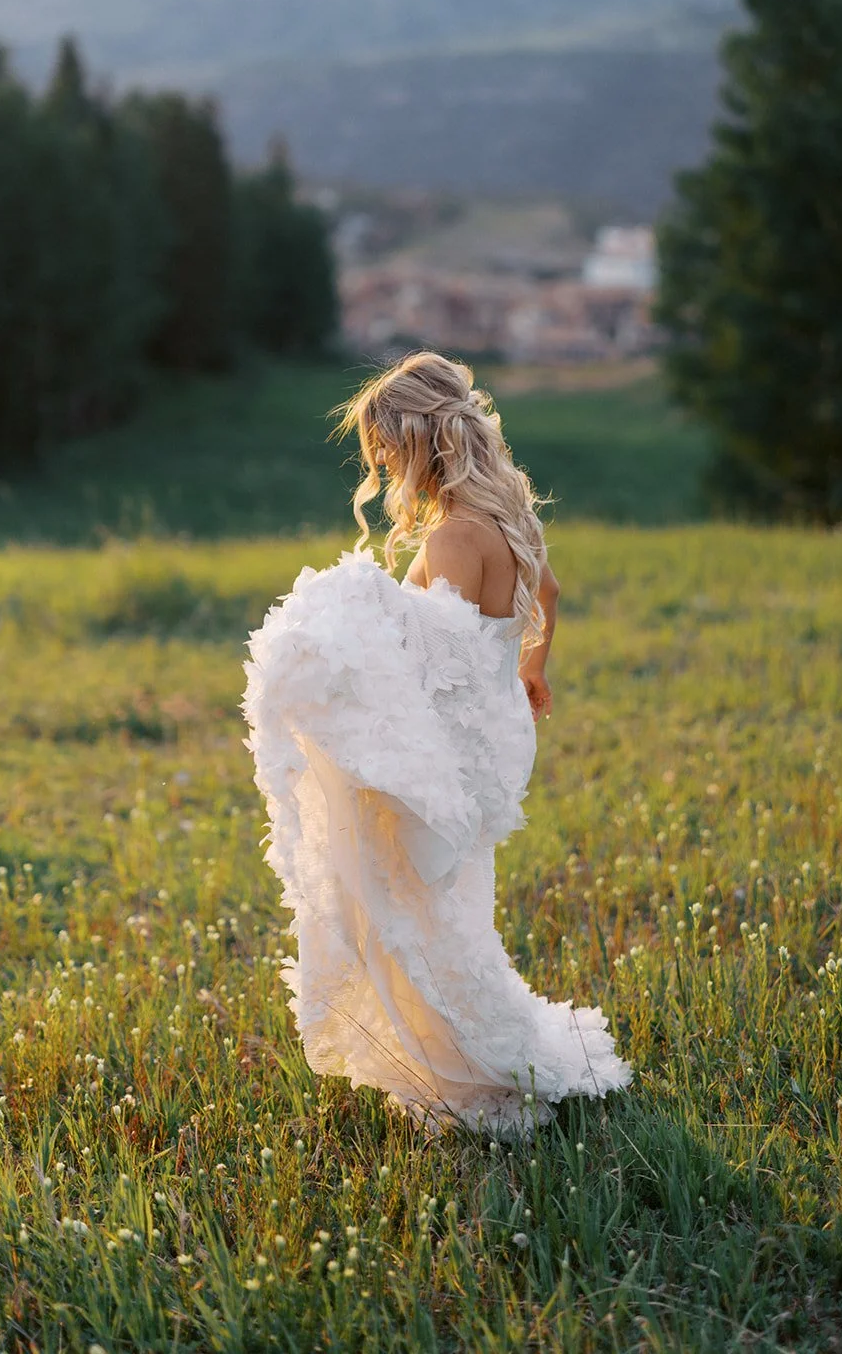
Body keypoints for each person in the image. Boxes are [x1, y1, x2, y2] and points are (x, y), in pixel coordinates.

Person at [242, 351, 633, 1138]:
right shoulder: (511, 517)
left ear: (421, 441)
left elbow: (438, 661)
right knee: (444, 902)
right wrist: (532, 669)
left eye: (386, 449)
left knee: (414, 900)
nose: (383, 467)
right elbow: (546, 596)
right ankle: (456, 1042)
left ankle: (476, 1065)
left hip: (456, 741)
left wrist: (347, 659)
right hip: (495, 724)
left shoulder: (456, 535)